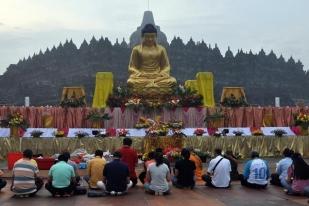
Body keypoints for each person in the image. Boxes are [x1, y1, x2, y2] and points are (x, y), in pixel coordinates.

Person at [127, 23, 176, 92]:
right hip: (143, 77)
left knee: (173, 81)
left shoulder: (161, 49)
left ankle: (150, 86)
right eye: (147, 36)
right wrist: (141, 74)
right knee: (130, 82)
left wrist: (161, 74)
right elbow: (132, 67)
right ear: (142, 36)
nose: (150, 39)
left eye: (152, 36)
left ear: (156, 36)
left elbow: (166, 66)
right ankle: (153, 86)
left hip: (158, 77)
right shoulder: (136, 49)